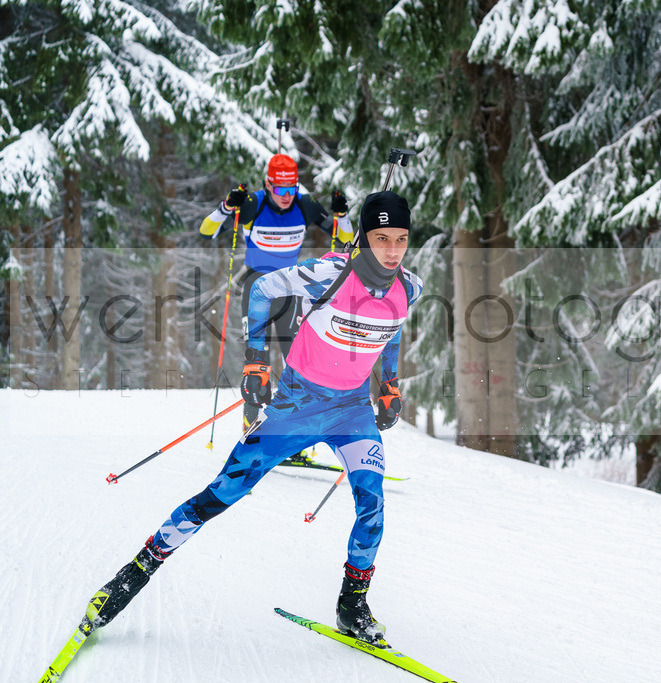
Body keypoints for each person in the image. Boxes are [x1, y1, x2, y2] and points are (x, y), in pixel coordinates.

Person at [84, 191, 421, 643]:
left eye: (401, 239)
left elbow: (392, 329)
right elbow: (262, 289)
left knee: (373, 503)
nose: (392, 250)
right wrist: (257, 362)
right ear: (363, 237)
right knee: (223, 492)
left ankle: (352, 605)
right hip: (297, 408)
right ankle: (134, 574)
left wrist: (391, 383)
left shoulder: (409, 286)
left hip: (351, 411)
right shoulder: (330, 274)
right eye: (381, 238)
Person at [200, 153, 354, 445]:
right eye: (280, 189)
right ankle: (253, 430)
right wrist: (226, 207)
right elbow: (206, 231)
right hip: (257, 286)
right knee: (257, 363)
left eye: (292, 189)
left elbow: (344, 238)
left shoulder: (304, 206)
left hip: (290, 288)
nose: (286, 196)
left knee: (296, 362)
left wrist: (341, 215)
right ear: (268, 185)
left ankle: (289, 435)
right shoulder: (253, 205)